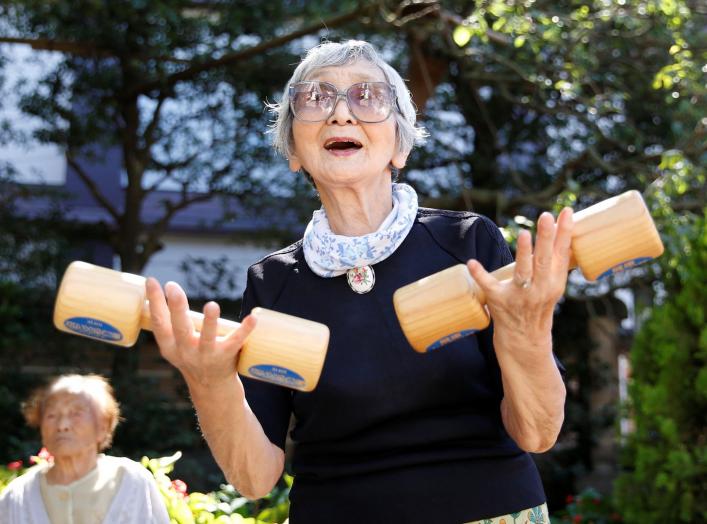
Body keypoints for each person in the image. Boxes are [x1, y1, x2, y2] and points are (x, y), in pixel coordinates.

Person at [145, 40, 573, 523]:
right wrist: (209, 382)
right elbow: (254, 478)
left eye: (367, 97)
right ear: (292, 151)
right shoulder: (274, 284)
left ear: (401, 144)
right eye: (316, 98)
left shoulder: (468, 243)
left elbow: (537, 433)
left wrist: (530, 330)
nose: (341, 114)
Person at [0, 374, 170, 524]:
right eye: (51, 415)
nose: (62, 425)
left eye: (76, 414)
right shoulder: (18, 496)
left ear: (103, 427)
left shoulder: (132, 482)